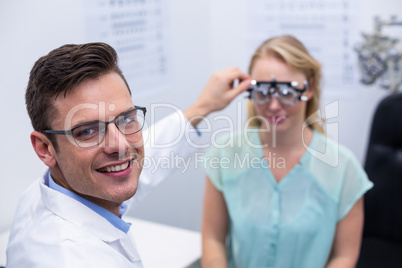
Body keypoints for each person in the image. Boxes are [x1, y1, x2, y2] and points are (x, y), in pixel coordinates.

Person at [6, 42, 251, 267]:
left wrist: (203, 107)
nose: (120, 145)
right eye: (88, 131)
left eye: (126, 119)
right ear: (45, 149)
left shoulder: (58, 188)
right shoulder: (73, 258)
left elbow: (148, 154)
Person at [201, 35, 374, 268]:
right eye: (262, 91)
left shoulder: (343, 168)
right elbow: (213, 239)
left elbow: (343, 257)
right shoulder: (225, 154)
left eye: (286, 92)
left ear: (309, 88)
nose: (273, 105)